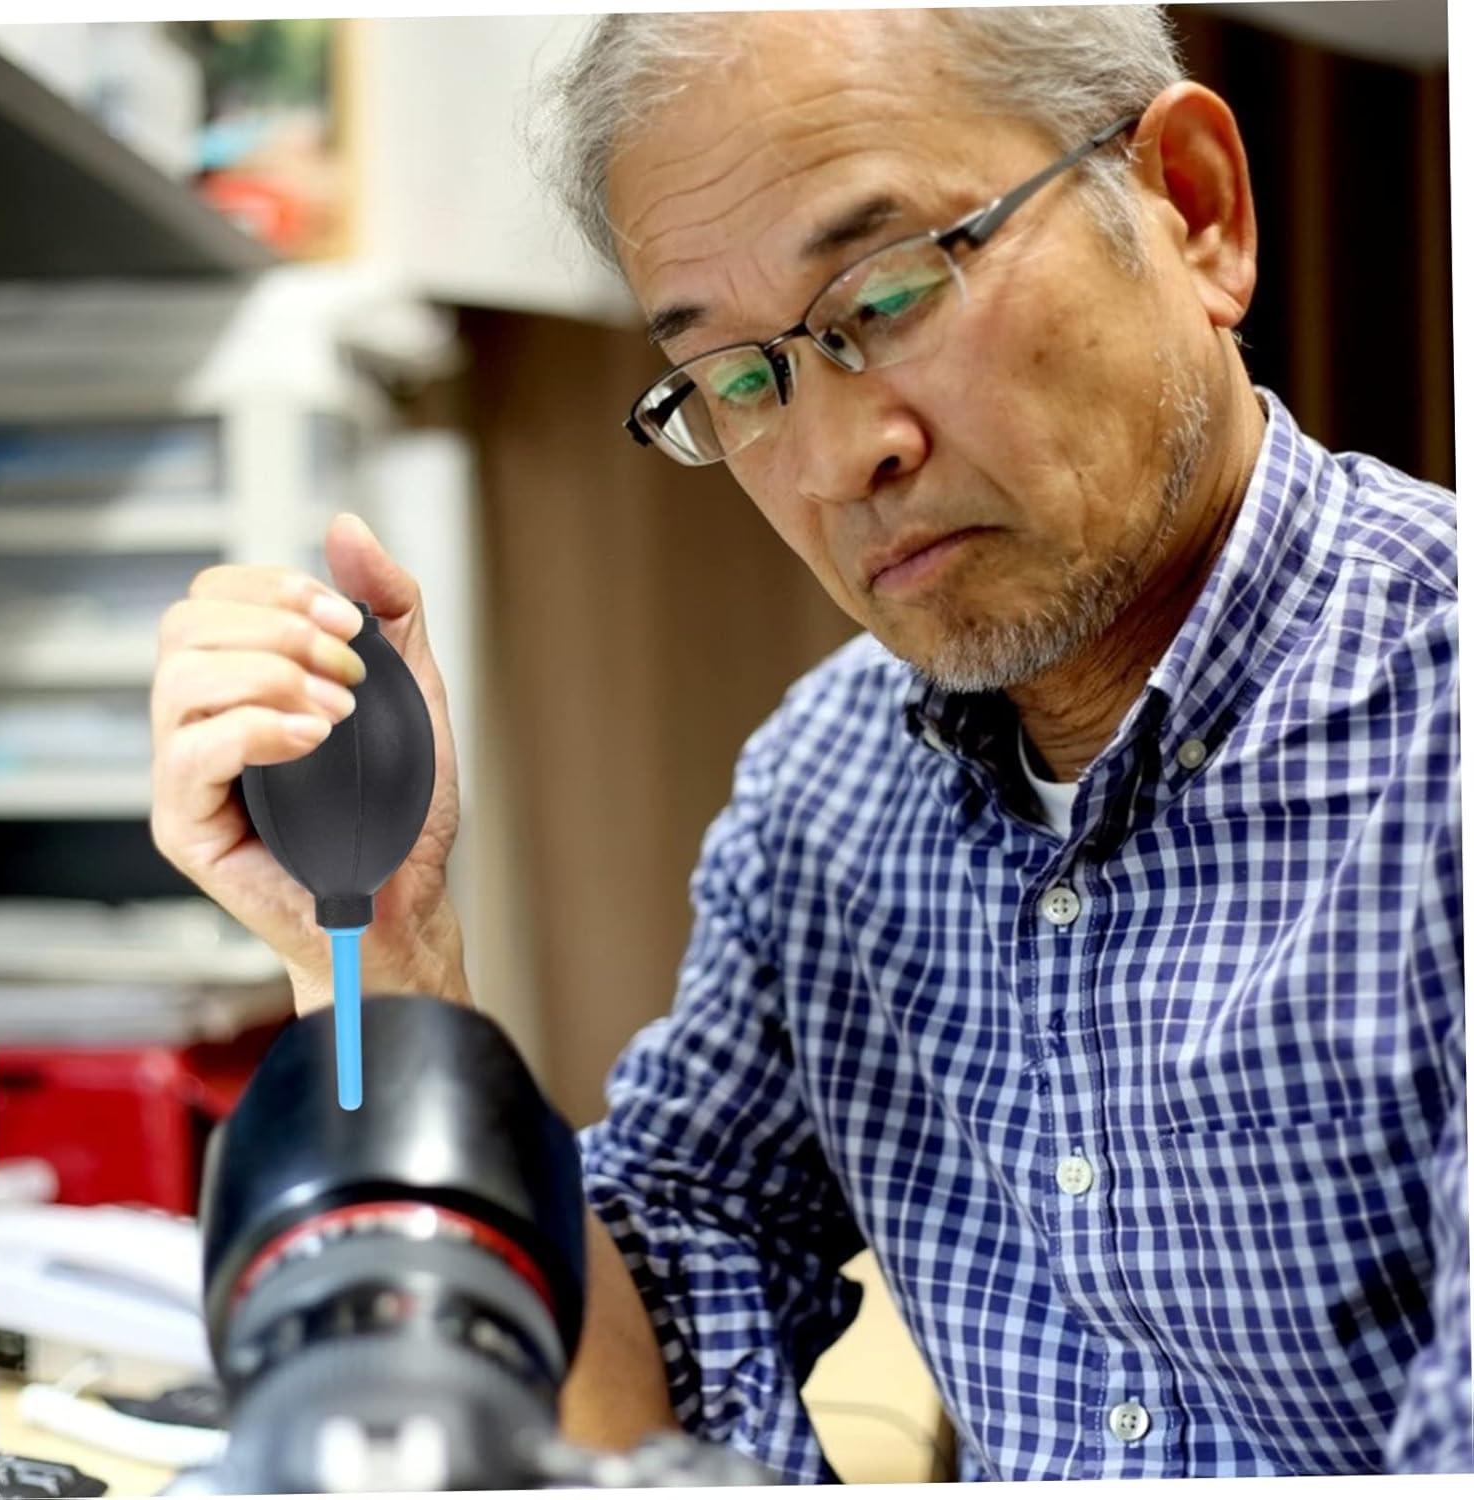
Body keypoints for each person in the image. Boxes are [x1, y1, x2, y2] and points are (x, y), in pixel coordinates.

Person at [149, 5, 1467, 1481]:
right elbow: (631, 1384)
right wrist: (394, 947)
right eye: (744, 379)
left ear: (1194, 210)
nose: (841, 460)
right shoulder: (828, 790)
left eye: (893, 293)